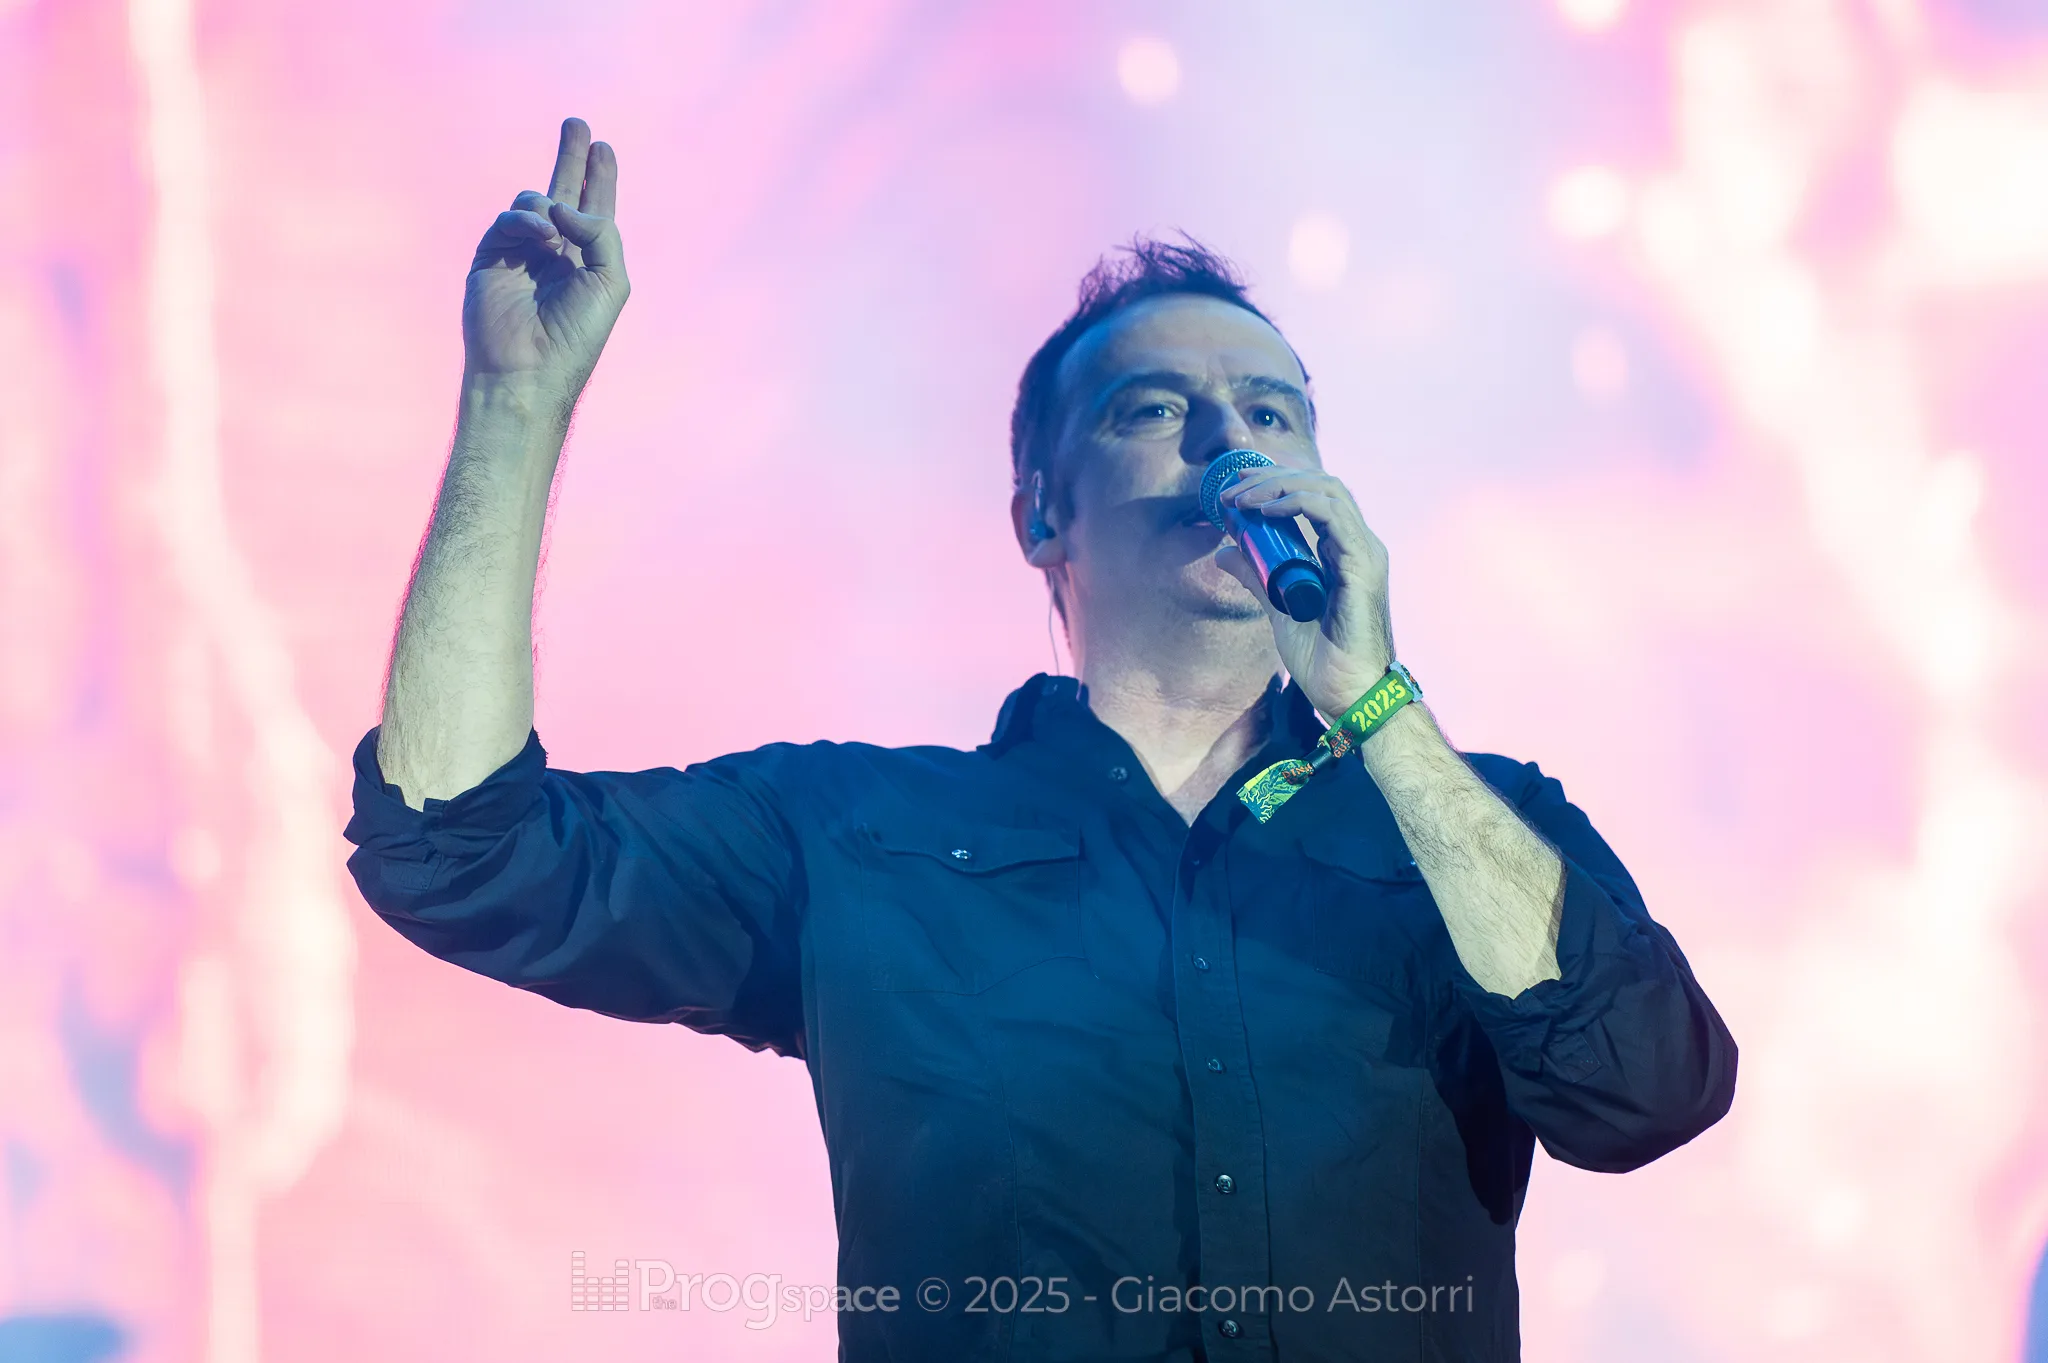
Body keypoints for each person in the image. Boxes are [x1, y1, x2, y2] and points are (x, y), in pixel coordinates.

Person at [345, 117, 1737, 1362]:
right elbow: (458, 848)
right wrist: (512, 408)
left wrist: (1380, 712)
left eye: (1271, 413)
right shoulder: (860, 840)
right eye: (1155, 410)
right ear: (1041, 513)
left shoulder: (1473, 826)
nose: (1229, 442)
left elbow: (1647, 1091)